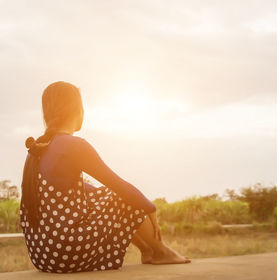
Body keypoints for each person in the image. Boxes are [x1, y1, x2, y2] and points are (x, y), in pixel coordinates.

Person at [20, 81, 190, 273]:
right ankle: (160, 251)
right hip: (66, 253)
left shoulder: (37, 150)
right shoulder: (72, 145)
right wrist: (151, 208)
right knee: (123, 198)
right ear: (77, 109)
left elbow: (69, 189)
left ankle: (147, 250)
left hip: (42, 256)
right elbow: (119, 186)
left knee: (104, 196)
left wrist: (101, 194)